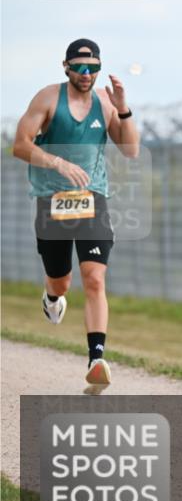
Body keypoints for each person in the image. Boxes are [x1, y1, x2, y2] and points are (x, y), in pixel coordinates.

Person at [11, 38, 140, 386]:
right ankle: (53, 296)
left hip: (92, 198)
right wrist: (57, 162)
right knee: (61, 280)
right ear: (66, 67)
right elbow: (20, 145)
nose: (86, 73)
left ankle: (96, 358)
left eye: (93, 67)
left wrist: (123, 108)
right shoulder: (48, 98)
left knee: (94, 278)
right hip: (52, 200)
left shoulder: (105, 103)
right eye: (80, 67)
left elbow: (130, 150)